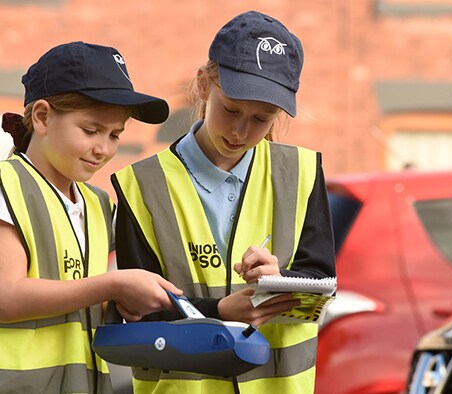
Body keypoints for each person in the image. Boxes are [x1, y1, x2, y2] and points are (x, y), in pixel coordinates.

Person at [0, 41, 183, 394]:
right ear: (43, 117)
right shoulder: (6, 183)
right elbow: (8, 298)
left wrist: (122, 303)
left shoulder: (96, 204)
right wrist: (113, 285)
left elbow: (74, 294)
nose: (104, 149)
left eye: (114, 135)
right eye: (91, 131)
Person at [112, 11, 337, 394]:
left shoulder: (302, 172)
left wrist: (279, 279)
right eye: (230, 109)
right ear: (203, 84)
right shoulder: (140, 185)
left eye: (261, 119)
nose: (240, 131)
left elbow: (322, 289)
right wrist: (217, 314)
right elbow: (134, 315)